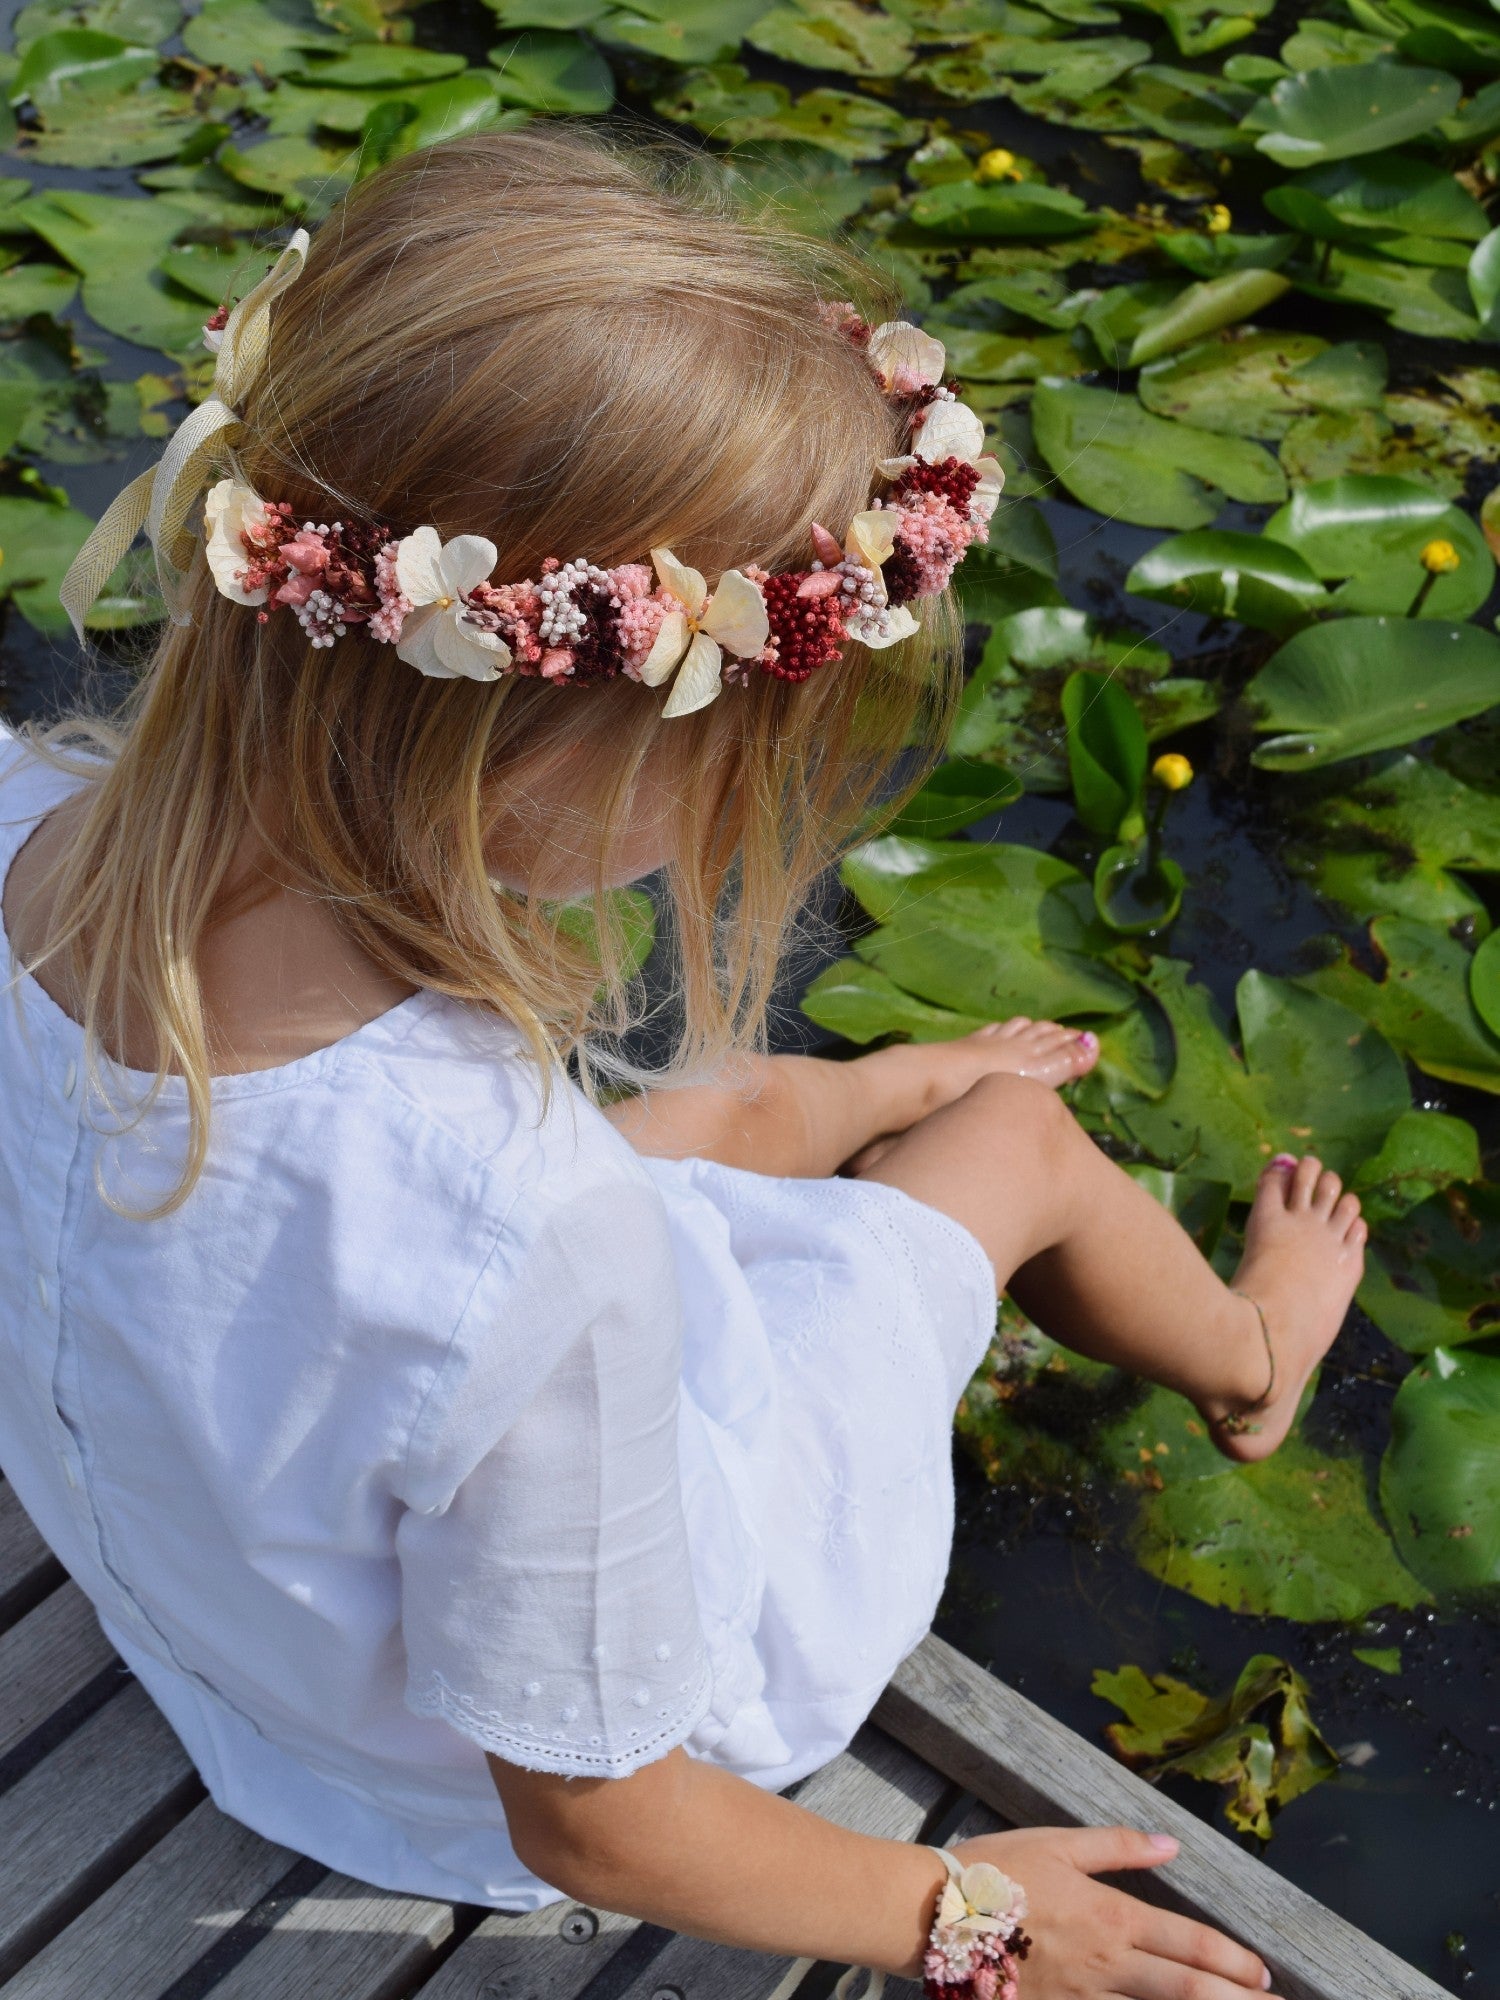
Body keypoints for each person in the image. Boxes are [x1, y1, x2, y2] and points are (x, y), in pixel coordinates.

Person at [0, 127, 1363, 2000]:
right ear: (546, 751)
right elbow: (603, 1822)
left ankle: (889, 1089)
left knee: (723, 1110)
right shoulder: (523, 1234)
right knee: (1015, 1139)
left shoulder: (25, 824)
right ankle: (1256, 1355)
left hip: (242, 1663)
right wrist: (968, 1918)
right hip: (508, 1773)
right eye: (746, 746)